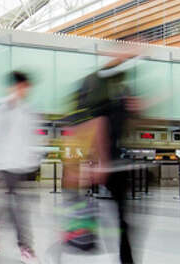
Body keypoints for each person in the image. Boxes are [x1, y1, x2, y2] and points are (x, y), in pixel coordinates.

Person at [66, 55, 140, 263]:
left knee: (122, 220)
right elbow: (94, 124)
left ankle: (122, 256)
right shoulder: (95, 85)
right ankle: (82, 240)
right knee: (108, 216)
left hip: (115, 162)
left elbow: (124, 125)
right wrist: (99, 161)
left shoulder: (122, 92)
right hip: (103, 160)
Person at [0, 71, 40, 264]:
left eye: (26, 87)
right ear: (13, 87)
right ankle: (25, 248)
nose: (24, 90)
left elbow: (32, 139)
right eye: (21, 86)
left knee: (4, 205)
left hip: (19, 167)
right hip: (0, 166)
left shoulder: (28, 111)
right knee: (16, 208)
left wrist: (33, 161)